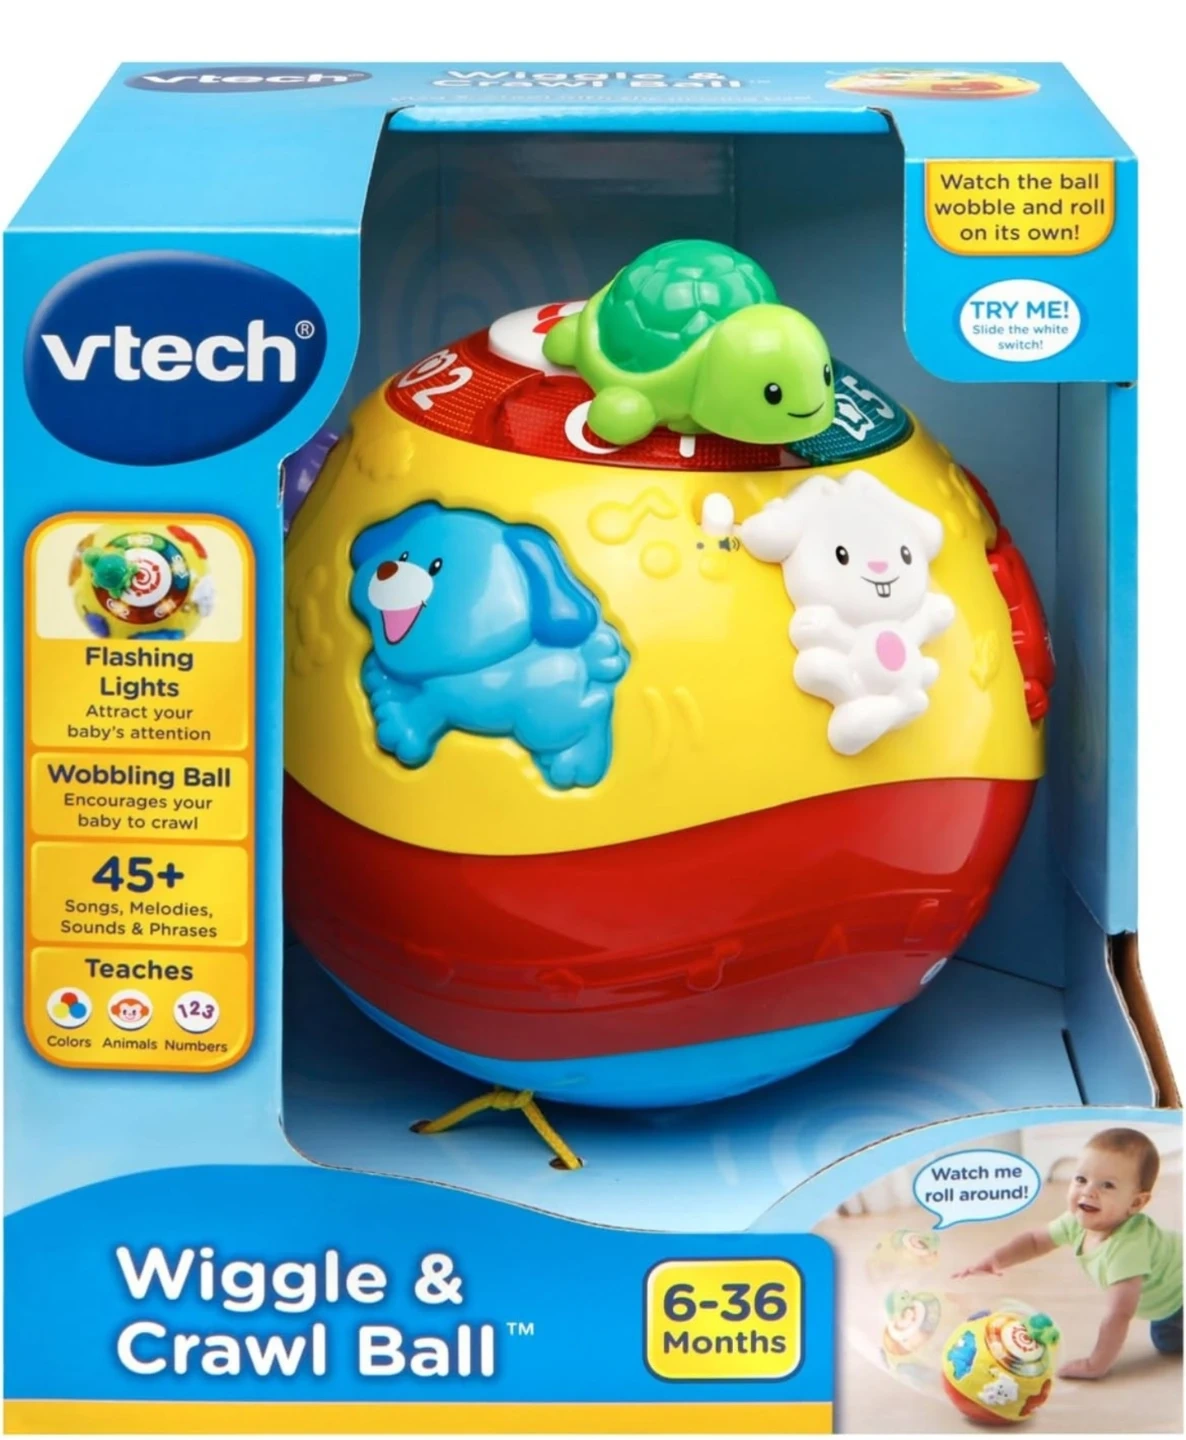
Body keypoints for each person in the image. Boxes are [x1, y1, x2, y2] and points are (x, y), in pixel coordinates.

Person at [954, 1128, 1182, 1379]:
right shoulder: (1076, 1221)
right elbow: (1035, 1241)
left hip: (1180, 1299)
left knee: (1170, 1337)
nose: (1088, 1191)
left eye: (1107, 1185)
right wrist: (996, 1259)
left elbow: (1120, 1314)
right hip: (1165, 1305)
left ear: (1136, 1203)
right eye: (1081, 1179)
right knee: (1167, 1343)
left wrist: (1096, 1364)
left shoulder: (1128, 1248)